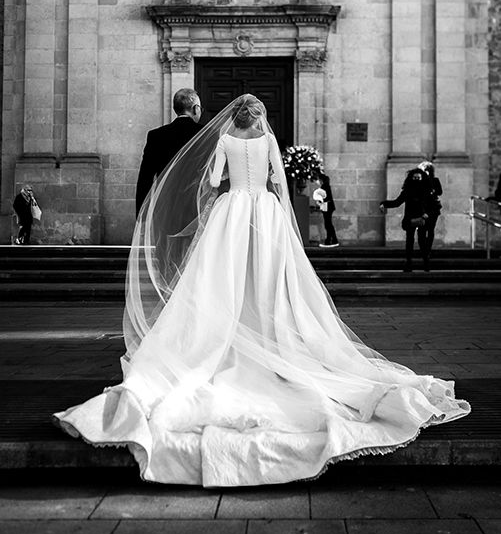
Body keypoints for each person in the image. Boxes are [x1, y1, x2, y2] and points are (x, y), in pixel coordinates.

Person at [54, 95, 469, 488]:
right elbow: (281, 186)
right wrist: (285, 221)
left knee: (223, 278)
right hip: (266, 213)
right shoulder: (269, 139)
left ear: (235, 117)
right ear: (261, 117)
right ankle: (273, 338)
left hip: (231, 210)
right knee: (270, 280)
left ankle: (227, 337)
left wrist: (218, 187)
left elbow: (214, 180)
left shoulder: (225, 139)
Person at [135, 88, 202, 216]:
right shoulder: (207, 134)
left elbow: (145, 177)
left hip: (165, 205)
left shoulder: (156, 135)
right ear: (195, 108)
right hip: (195, 204)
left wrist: (141, 213)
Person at [380, 168, 431, 272]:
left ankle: (426, 264)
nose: (417, 179)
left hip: (422, 218)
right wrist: (384, 203)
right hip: (411, 218)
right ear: (411, 178)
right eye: (415, 178)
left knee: (422, 242)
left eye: (419, 178)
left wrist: (427, 213)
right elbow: (397, 202)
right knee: (410, 242)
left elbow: (432, 205)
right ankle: (410, 264)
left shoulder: (426, 191)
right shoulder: (408, 191)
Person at [418, 160, 443, 257]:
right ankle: (423, 250)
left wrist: (433, 190)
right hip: (421, 208)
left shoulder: (435, 180)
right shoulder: (418, 181)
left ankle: (427, 250)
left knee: (430, 229)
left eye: (428, 170)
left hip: (433, 208)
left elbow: (440, 192)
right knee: (421, 230)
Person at [313, 172, 339, 247]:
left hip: (327, 207)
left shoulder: (324, 187)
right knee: (328, 224)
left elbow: (323, 197)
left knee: (328, 224)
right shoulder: (326, 186)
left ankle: (331, 240)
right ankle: (332, 239)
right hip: (327, 206)